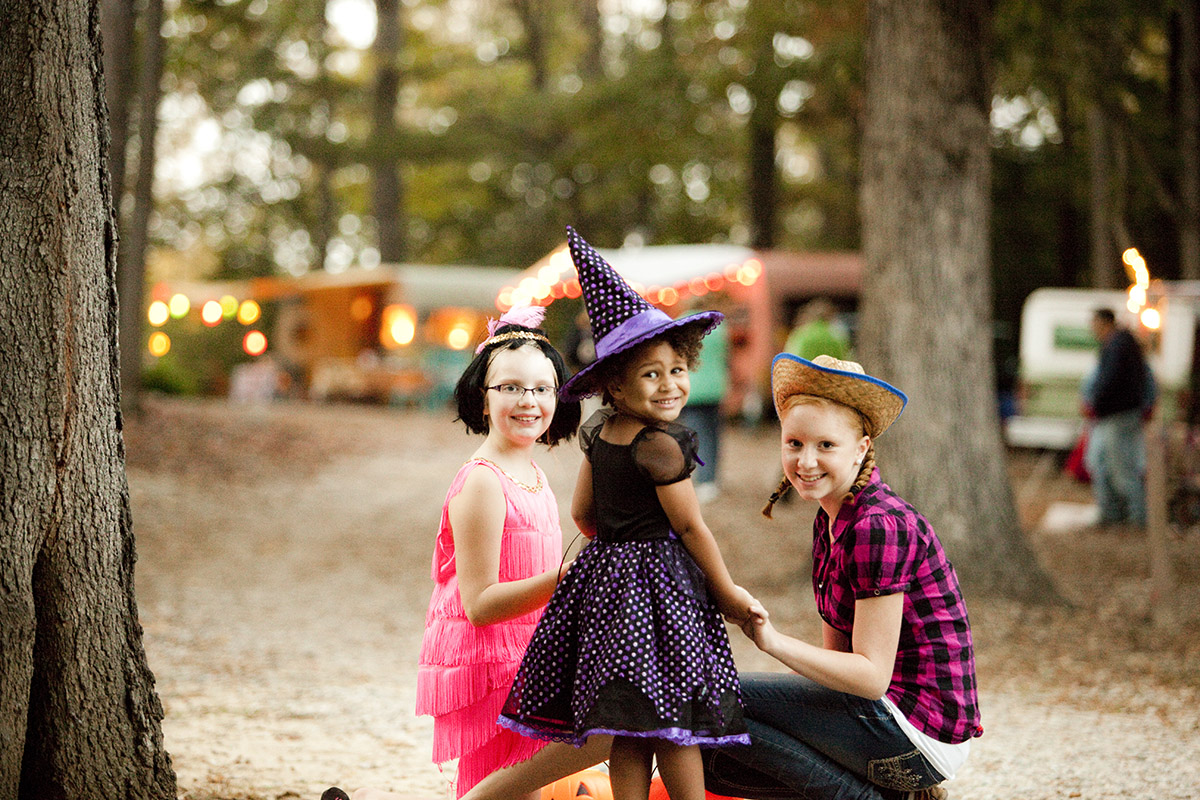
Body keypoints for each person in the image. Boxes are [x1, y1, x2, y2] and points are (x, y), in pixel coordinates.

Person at [497, 227, 757, 800]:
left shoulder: (601, 433)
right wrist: (727, 591)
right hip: (660, 593)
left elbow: (582, 514)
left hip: (608, 592)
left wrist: (614, 544)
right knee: (679, 727)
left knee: (630, 730)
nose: (670, 385)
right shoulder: (663, 445)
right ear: (615, 383)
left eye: (677, 369)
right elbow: (690, 525)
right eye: (650, 374)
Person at [322, 306, 582, 800]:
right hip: (491, 666)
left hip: (531, 654)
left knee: (524, 786)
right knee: (506, 785)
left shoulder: (536, 476)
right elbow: (479, 603)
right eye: (509, 387)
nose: (528, 400)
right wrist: (564, 578)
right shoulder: (484, 481)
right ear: (482, 400)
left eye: (541, 388)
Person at [700, 353, 982, 800]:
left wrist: (770, 641)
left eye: (825, 446)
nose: (806, 461)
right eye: (794, 443)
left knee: (708, 705)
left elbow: (870, 677)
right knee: (715, 757)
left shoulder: (878, 525)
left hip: (920, 733)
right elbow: (838, 671)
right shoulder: (831, 519)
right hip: (880, 713)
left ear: (862, 447)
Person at [1082, 307, 1155, 528]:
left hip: (1118, 415)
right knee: (1100, 463)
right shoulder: (1123, 344)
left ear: (1104, 323)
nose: (1092, 329)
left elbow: (1110, 380)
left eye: (1094, 324)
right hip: (1116, 415)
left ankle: (1136, 518)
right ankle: (1112, 514)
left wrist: (1095, 402)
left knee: (1122, 468)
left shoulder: (1117, 345)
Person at [677, 299, 730, 502]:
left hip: (692, 388)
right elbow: (726, 356)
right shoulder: (718, 325)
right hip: (716, 387)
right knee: (714, 435)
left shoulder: (680, 324)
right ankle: (713, 477)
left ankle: (704, 480)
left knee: (697, 436)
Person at [784, 297, 850, 362]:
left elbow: (790, 358)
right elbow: (844, 361)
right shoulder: (836, 337)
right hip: (829, 372)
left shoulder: (801, 334)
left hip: (804, 371)